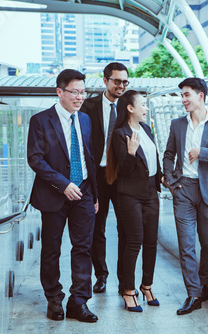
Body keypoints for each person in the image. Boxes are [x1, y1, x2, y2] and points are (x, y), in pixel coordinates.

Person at [27, 69, 99, 323]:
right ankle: (54, 299)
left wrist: (95, 194)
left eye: (83, 92)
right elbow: (35, 159)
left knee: (83, 248)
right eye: (75, 92)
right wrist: (63, 184)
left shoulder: (86, 120)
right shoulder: (41, 120)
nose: (80, 97)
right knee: (51, 249)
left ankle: (79, 302)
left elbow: (88, 157)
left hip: (84, 193)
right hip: (54, 194)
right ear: (60, 92)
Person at [163, 77, 208, 315]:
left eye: (186, 95)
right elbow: (168, 155)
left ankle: (204, 284)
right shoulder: (177, 124)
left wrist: (203, 152)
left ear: (200, 96)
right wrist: (171, 182)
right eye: (181, 96)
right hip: (183, 189)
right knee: (186, 245)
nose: (183, 100)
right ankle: (193, 293)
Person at [106, 90, 163, 312]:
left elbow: (152, 160)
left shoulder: (146, 129)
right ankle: (128, 290)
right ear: (130, 108)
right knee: (134, 242)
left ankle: (146, 286)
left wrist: (161, 178)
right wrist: (130, 153)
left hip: (150, 193)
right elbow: (125, 171)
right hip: (129, 194)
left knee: (151, 242)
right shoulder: (121, 134)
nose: (146, 108)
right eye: (143, 104)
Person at [80, 62, 129, 293]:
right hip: (97, 175)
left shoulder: (129, 107)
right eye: (117, 81)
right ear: (105, 81)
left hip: (122, 176)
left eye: (125, 82)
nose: (121, 86)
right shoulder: (88, 107)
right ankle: (101, 275)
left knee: (126, 228)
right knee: (96, 228)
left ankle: (124, 280)